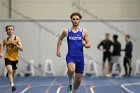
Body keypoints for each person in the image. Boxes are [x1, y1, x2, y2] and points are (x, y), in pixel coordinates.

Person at [56, 12, 90, 93]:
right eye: (73, 19)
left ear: (80, 20)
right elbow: (60, 38)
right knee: (71, 70)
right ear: (71, 20)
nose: (75, 21)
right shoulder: (66, 31)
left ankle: (74, 91)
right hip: (71, 56)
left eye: (77, 19)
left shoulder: (84, 31)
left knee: (78, 80)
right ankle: (70, 81)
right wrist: (58, 50)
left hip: (80, 58)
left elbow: (89, 44)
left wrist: (85, 44)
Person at [3, 25, 23, 91]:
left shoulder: (17, 38)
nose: (10, 30)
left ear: (13, 30)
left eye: (12, 29)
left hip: (15, 58)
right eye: (9, 29)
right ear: (6, 31)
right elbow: (1, 46)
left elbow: (22, 49)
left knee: (13, 72)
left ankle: (9, 75)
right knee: (10, 71)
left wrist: (16, 45)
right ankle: (12, 85)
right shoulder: (5, 40)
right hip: (7, 57)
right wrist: (0, 52)